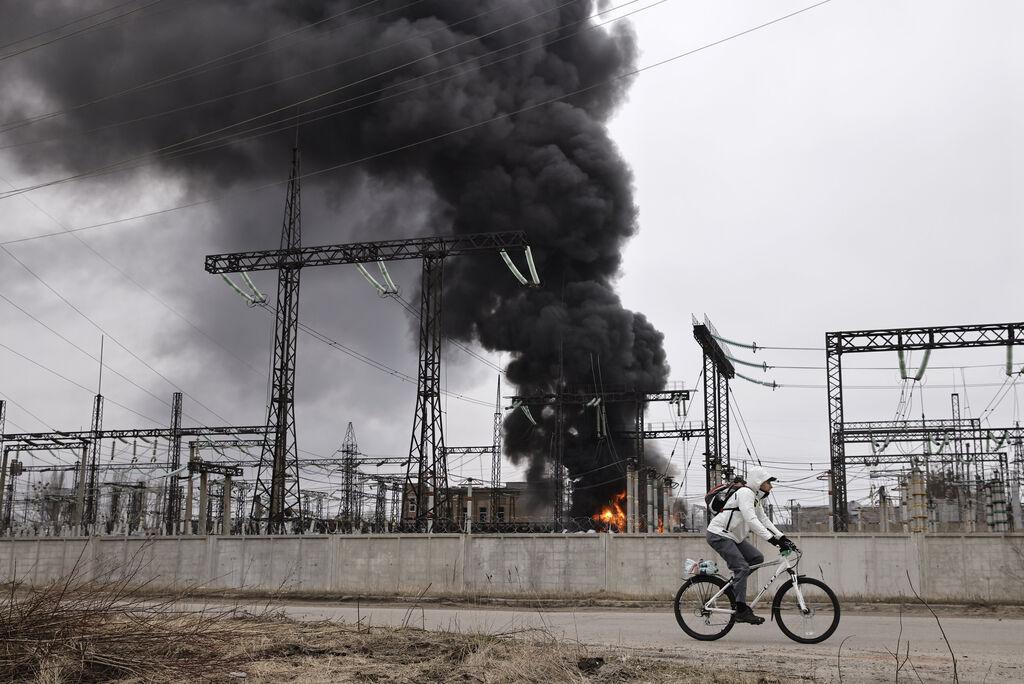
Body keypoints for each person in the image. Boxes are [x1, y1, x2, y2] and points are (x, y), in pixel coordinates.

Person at [706, 466, 798, 625]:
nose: (771, 486)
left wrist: (782, 537)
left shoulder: (756, 498)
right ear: (759, 482)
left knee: (756, 558)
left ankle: (735, 586)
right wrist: (772, 540)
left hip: (734, 537)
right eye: (768, 482)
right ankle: (741, 610)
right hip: (719, 534)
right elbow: (751, 520)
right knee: (742, 567)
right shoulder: (745, 493)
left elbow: (764, 520)